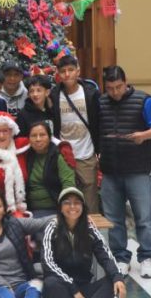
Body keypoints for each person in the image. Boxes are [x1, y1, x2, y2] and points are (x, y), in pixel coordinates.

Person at [98, 65, 151, 278]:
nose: (115, 92)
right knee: (114, 218)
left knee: (143, 217)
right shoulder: (100, 102)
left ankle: (147, 257)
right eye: (110, 88)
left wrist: (143, 135)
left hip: (137, 169)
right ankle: (120, 257)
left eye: (118, 87)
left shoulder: (143, 100)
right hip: (110, 170)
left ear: (126, 81)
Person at [42, 188, 125, 298]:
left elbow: (106, 256)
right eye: (67, 202)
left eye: (77, 202)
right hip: (62, 288)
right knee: (50, 283)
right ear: (60, 208)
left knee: (115, 282)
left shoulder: (89, 228)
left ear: (83, 207)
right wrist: (73, 289)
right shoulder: (52, 228)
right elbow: (47, 263)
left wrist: (117, 277)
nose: (72, 206)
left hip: (84, 288)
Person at [50, 55, 102, 213]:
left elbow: (99, 123)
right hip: (65, 156)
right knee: (68, 200)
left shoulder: (91, 93)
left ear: (78, 71)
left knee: (90, 203)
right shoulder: (53, 95)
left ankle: (92, 235)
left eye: (71, 70)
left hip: (86, 154)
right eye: (63, 71)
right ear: (58, 74)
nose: (67, 74)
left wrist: (99, 150)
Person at [24, 121, 77, 218]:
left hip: (53, 208)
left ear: (50, 137)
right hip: (28, 210)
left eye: (42, 135)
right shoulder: (26, 155)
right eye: (34, 136)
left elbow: (68, 185)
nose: (38, 139)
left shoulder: (60, 155)